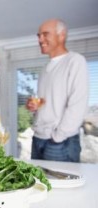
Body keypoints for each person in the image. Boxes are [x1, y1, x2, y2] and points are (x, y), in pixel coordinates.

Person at [26, 19, 89, 162]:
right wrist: (36, 106)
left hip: (60, 142)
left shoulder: (75, 61)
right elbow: (49, 104)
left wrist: (58, 137)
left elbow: (77, 105)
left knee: (60, 185)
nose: (40, 39)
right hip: (38, 138)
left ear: (62, 35)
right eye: (38, 35)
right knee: (37, 183)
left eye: (45, 34)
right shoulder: (44, 69)